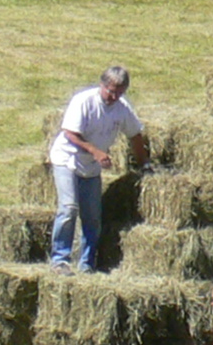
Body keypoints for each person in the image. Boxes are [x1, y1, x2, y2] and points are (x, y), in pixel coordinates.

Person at [48, 65, 150, 274]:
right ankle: (60, 259)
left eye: (119, 93)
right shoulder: (84, 101)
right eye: (110, 91)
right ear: (102, 85)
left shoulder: (122, 109)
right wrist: (95, 152)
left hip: (91, 168)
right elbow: (70, 133)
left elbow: (135, 135)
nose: (113, 96)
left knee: (93, 216)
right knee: (68, 208)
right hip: (67, 160)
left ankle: (87, 263)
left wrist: (144, 164)